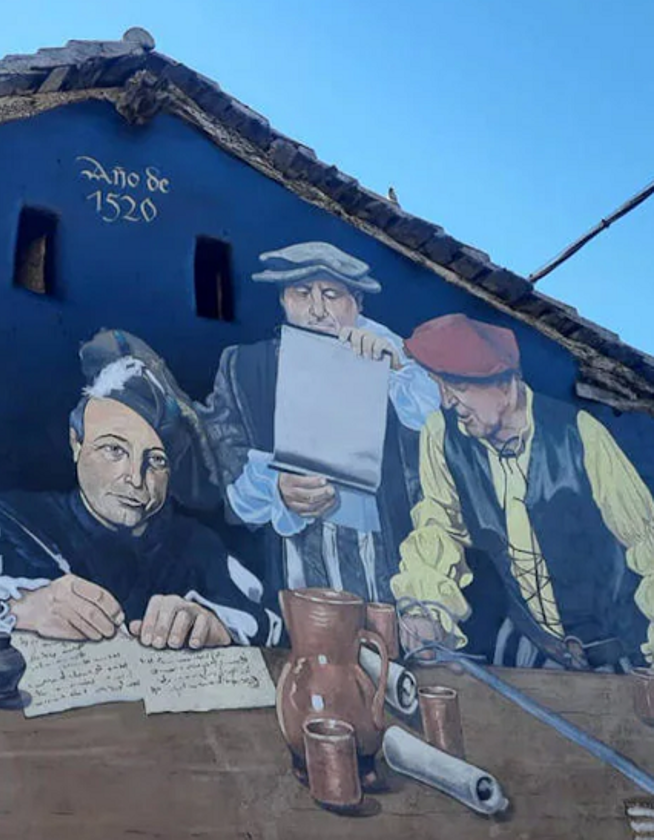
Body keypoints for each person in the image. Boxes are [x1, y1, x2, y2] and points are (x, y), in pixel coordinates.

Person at [0, 330, 282, 649]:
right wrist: (12, 610)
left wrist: (212, 625)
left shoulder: (197, 548)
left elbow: (268, 623)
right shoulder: (2, 525)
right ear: (76, 444)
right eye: (114, 450)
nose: (135, 478)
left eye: (155, 461)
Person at [391, 313, 654, 671]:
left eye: (458, 386)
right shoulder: (442, 435)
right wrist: (424, 607)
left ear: (507, 385)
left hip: (613, 658)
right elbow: (438, 527)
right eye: (440, 386)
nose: (448, 402)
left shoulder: (580, 435)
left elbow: (647, 543)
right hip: (525, 652)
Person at [200, 241, 440, 604]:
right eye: (301, 293)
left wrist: (396, 371)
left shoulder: (394, 364)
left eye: (331, 294)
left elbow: (441, 447)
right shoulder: (244, 367)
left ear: (357, 303)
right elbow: (225, 467)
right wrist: (277, 489)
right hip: (294, 557)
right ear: (283, 300)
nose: (316, 310)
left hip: (384, 557)